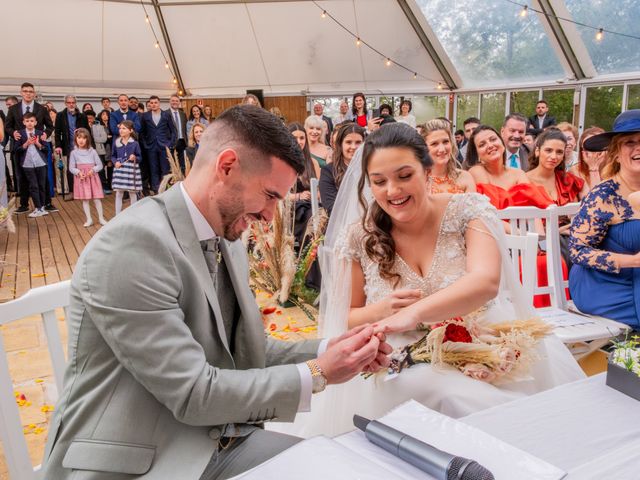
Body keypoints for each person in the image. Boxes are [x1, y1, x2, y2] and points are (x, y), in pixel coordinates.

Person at [41, 105, 390, 480]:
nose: (272, 216)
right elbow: (194, 394)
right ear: (226, 166)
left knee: (343, 468)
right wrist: (319, 372)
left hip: (219, 438)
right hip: (144, 459)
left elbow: (244, 350)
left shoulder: (227, 234)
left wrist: (333, 350)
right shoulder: (133, 245)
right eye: (270, 195)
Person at [277, 123, 583, 438]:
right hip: (404, 355)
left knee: (525, 411)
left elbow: (486, 281)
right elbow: (345, 314)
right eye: (379, 182)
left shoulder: (467, 211)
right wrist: (381, 312)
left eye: (404, 176)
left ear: (427, 170)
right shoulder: (359, 236)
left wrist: (415, 311)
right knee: (451, 395)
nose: (392, 191)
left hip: (488, 337)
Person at [569, 110, 640, 329]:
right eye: (630, 142)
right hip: (607, 284)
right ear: (616, 153)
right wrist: (634, 261)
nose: (638, 147)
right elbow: (577, 251)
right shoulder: (604, 195)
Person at [468, 126, 551, 210]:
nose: (490, 145)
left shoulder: (519, 174)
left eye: (493, 139)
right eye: (482, 145)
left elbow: (532, 207)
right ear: (477, 155)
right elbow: (491, 211)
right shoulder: (476, 172)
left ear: (503, 144)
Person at [5, 82, 56, 214]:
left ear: (34, 94)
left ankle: (47, 203)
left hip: (39, 148)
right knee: (21, 176)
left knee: (42, 176)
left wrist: (46, 134)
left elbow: (50, 126)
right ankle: (23, 204)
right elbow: (7, 126)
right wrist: (13, 133)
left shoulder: (42, 109)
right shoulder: (13, 109)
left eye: (30, 91)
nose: (28, 93)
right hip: (20, 147)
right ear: (21, 93)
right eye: (25, 91)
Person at [526, 128, 588, 206]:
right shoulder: (524, 180)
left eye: (559, 152)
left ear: (563, 156)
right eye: (548, 150)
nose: (553, 156)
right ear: (537, 151)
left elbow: (587, 206)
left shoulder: (568, 180)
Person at [319, 123, 365, 216]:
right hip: (341, 221)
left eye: (358, 142)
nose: (353, 147)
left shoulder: (370, 168)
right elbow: (331, 207)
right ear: (340, 144)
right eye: (348, 142)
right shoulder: (328, 171)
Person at [288, 123, 320, 248]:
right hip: (292, 207)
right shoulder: (282, 162)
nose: (299, 141)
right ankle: (306, 252)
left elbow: (320, 191)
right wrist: (298, 196)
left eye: (302, 138)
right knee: (309, 216)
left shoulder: (313, 162)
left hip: (312, 204)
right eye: (295, 138)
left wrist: (313, 195)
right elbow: (279, 196)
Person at [422, 118, 475, 194]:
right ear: (424, 147)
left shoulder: (465, 177)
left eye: (445, 142)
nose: (442, 149)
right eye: (434, 144)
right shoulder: (418, 181)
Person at [68, 128, 106, 227]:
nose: (81, 140)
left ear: (87, 139)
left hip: (92, 177)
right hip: (82, 178)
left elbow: (100, 165)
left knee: (97, 199)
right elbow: (71, 168)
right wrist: (79, 172)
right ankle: (89, 219)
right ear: (75, 139)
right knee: (85, 200)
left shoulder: (92, 151)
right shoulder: (74, 153)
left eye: (84, 138)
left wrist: (93, 170)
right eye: (79, 137)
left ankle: (101, 218)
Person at [13, 112, 49, 217]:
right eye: (27, 121)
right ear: (24, 122)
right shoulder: (20, 134)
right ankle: (37, 208)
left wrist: (38, 144)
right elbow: (16, 150)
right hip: (27, 164)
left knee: (42, 185)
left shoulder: (40, 133)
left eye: (32, 121)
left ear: (36, 122)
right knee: (33, 186)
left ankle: (42, 207)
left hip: (40, 163)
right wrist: (26, 144)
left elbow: (46, 149)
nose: (29, 123)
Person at [54, 95, 90, 197]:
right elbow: (57, 132)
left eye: (73, 102)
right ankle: (73, 191)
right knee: (71, 169)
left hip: (82, 146)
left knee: (83, 168)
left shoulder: (82, 116)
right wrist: (58, 146)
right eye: (69, 102)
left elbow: (88, 131)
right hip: (68, 146)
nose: (71, 104)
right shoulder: (60, 115)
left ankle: (84, 190)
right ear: (65, 103)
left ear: (75, 103)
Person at [140, 95, 177, 193]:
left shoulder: (166, 115)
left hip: (164, 146)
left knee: (165, 169)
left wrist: (170, 144)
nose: (153, 104)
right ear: (149, 104)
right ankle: (156, 190)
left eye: (155, 102)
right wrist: (145, 144)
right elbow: (142, 132)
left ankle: (165, 189)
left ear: (159, 103)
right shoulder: (145, 116)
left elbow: (173, 130)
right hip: (151, 147)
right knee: (153, 169)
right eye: (151, 103)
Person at [111, 120, 142, 215]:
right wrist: (115, 162)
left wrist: (135, 158)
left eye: (124, 128)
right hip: (120, 170)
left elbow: (140, 157)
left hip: (131, 170)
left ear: (130, 130)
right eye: (120, 128)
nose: (121, 130)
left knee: (132, 192)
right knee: (119, 193)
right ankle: (117, 215)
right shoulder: (116, 142)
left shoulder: (135, 143)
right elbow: (113, 156)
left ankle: (134, 214)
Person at [169, 94, 188, 171]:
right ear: (170, 102)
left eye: (176, 101)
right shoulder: (165, 113)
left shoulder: (183, 114)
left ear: (179, 102)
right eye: (173, 100)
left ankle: (182, 178)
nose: (175, 102)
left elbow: (185, 128)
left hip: (182, 141)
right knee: (172, 163)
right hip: (171, 142)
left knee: (182, 163)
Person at [97, 110, 114, 192]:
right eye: (103, 114)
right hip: (101, 148)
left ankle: (110, 184)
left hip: (110, 148)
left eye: (106, 114)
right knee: (101, 167)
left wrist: (108, 138)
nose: (105, 116)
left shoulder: (111, 125)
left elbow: (113, 136)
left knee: (110, 166)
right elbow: (99, 138)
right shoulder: (98, 126)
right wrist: (107, 138)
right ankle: (104, 185)